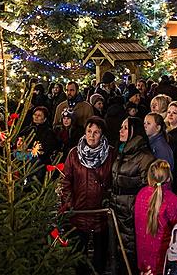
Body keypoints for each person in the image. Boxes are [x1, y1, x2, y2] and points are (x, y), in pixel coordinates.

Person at [61, 116, 114, 275]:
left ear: (102, 134)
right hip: (79, 211)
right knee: (79, 256)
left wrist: (109, 201)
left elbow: (114, 180)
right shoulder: (74, 153)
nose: (92, 136)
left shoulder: (110, 153)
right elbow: (66, 181)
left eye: (96, 132)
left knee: (99, 257)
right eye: (89, 131)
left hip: (100, 213)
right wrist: (69, 203)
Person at [111, 117, 154, 270]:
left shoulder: (144, 157)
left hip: (131, 209)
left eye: (125, 128)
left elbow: (148, 188)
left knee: (130, 249)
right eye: (121, 127)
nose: (120, 131)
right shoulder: (121, 150)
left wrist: (134, 206)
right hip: (117, 206)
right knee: (118, 247)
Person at [134, 159, 177, 275]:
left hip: (143, 261)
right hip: (163, 263)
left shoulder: (141, 194)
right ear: (169, 177)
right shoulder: (174, 202)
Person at [19, 106, 59, 176]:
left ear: (45, 119)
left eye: (39, 115)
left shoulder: (49, 132)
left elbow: (47, 148)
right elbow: (18, 139)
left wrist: (32, 151)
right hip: (24, 160)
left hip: (40, 163)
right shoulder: (27, 129)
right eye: (35, 114)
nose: (36, 117)